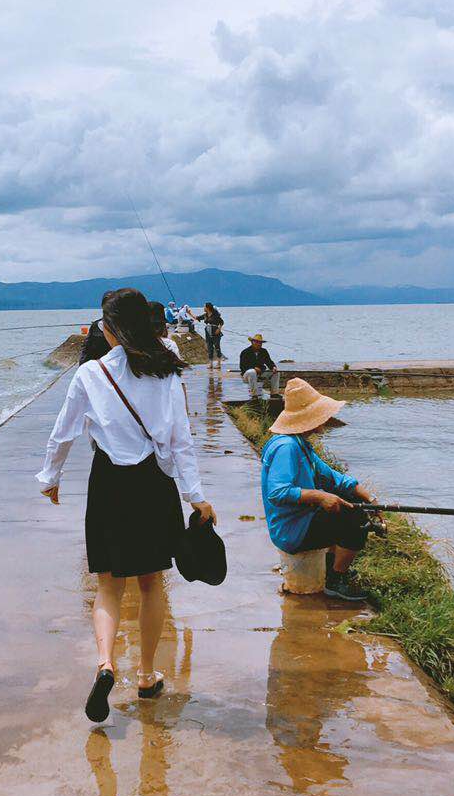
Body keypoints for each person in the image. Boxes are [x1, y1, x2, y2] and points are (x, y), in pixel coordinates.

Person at [37, 287, 215, 721]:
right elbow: (182, 441)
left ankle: (105, 664)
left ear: (112, 328)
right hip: (155, 483)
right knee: (152, 584)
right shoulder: (168, 373)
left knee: (108, 585)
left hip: (109, 485)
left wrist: (50, 478)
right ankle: (148, 674)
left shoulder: (90, 374)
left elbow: (64, 431)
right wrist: (197, 497)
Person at [260, 377, 376, 603]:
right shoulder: (287, 448)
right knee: (356, 520)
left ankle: (332, 569)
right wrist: (319, 496)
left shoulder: (300, 445)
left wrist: (369, 498)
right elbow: (278, 492)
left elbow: (335, 479)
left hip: (300, 520)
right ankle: (336, 580)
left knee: (349, 501)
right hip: (291, 530)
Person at [239, 334, 279, 399]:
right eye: (256, 342)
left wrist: (273, 367)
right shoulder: (245, 352)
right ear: (252, 342)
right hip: (247, 375)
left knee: (276, 373)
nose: (258, 344)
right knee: (252, 372)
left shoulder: (264, 351)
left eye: (260, 342)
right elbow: (242, 366)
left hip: (261, 373)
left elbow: (269, 362)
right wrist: (254, 368)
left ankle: (274, 393)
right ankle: (254, 395)